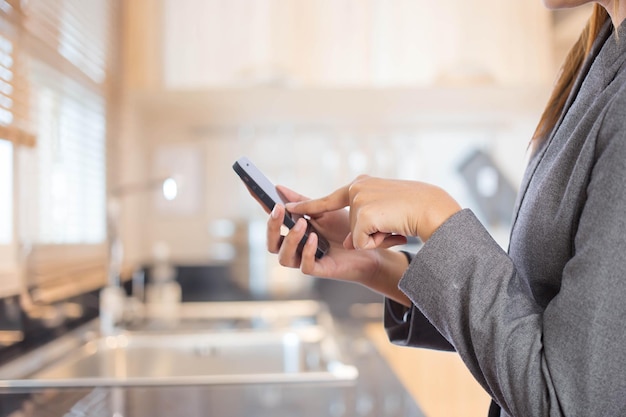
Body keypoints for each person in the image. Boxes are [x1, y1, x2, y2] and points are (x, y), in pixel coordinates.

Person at [263, 1, 626, 416]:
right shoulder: (600, 51)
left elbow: (566, 403)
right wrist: (377, 266)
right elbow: (539, 321)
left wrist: (436, 217)